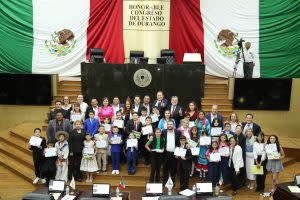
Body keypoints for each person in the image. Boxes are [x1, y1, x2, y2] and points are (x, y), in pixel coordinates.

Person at [162, 120, 181, 185]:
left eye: (171, 124)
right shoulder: (163, 132)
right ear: (167, 125)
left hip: (174, 154)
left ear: (173, 125)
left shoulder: (178, 132)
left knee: (174, 169)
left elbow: (179, 143)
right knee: (165, 169)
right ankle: (165, 181)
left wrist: (177, 153)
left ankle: (172, 181)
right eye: (168, 124)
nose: (169, 125)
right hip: (166, 153)